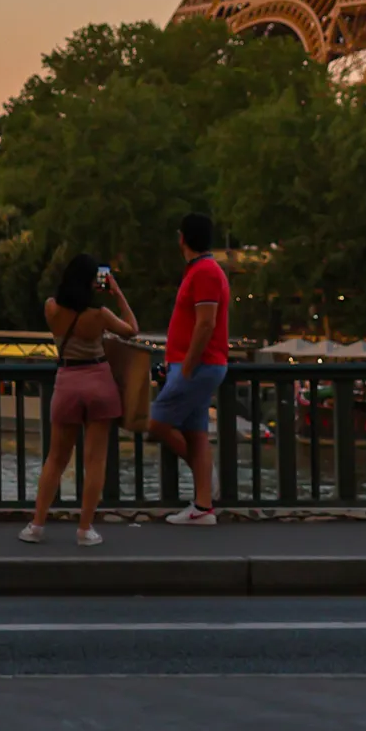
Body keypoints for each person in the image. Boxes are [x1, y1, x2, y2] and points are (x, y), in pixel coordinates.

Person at [22, 255, 137, 547]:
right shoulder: (99, 315)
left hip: (68, 381)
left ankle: (36, 525)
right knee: (94, 461)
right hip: (99, 382)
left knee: (56, 458)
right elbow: (131, 329)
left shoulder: (51, 308)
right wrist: (117, 291)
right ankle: (85, 529)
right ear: (91, 282)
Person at [148, 212, 230, 526]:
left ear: (182, 238)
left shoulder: (206, 272)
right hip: (195, 365)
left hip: (198, 366)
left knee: (156, 422)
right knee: (196, 434)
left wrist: (187, 367)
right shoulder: (199, 271)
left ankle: (204, 479)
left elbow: (206, 322)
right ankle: (203, 506)